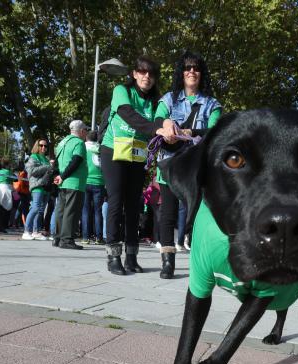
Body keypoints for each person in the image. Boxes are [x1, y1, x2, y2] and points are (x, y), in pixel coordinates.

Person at [100, 57, 172, 274]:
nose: (146, 77)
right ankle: (113, 257)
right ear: (134, 74)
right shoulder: (122, 91)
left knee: (134, 205)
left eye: (151, 74)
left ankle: (131, 256)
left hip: (138, 155)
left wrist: (166, 127)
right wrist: (155, 130)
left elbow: (161, 120)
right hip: (113, 151)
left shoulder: (156, 102)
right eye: (142, 72)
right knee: (116, 202)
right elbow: (127, 114)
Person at [154, 51, 222, 278]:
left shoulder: (212, 104)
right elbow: (156, 121)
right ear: (181, 73)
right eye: (187, 68)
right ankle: (167, 262)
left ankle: (201, 262)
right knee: (168, 214)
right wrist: (165, 125)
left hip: (198, 167)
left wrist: (192, 132)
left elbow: (214, 132)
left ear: (202, 74)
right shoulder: (168, 99)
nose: (191, 72)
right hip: (169, 165)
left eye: (196, 68)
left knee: (199, 215)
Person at [52, 120, 89, 250]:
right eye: (85, 130)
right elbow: (76, 161)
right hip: (74, 182)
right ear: (81, 131)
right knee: (71, 211)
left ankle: (57, 238)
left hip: (63, 183)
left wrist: (58, 176)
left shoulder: (62, 142)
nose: (86, 133)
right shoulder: (79, 143)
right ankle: (67, 240)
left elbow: (56, 163)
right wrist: (63, 176)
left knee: (61, 210)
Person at [24, 138, 54, 240]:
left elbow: (49, 173)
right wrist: (47, 166)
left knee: (40, 211)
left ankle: (36, 231)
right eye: (41, 145)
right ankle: (26, 231)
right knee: (35, 208)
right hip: (37, 186)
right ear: (37, 146)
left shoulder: (46, 159)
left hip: (46, 187)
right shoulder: (33, 157)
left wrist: (52, 168)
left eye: (45, 146)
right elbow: (32, 171)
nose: (43, 148)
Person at [82, 130, 105, 244]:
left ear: (86, 138)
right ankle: (99, 237)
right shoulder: (101, 149)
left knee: (85, 210)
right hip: (99, 182)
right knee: (98, 211)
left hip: (85, 181)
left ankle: (85, 238)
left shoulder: (83, 148)